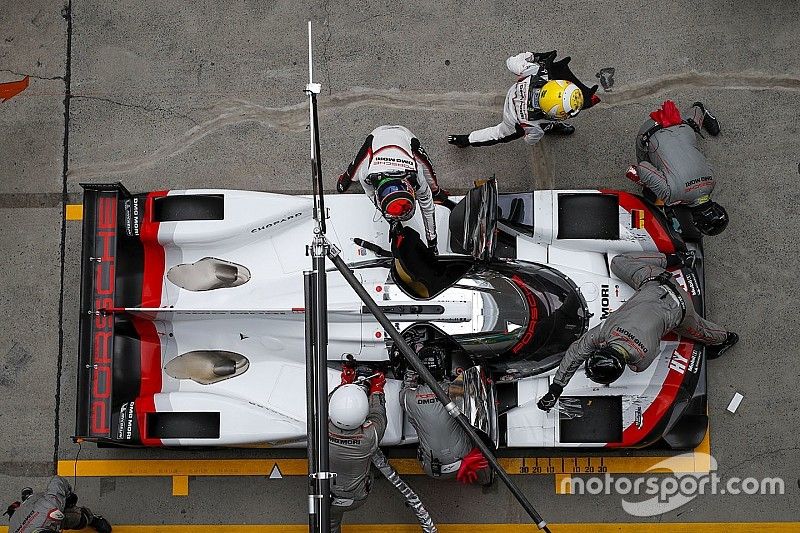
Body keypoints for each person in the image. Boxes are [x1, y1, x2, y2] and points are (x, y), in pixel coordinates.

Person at [537, 251, 738, 410]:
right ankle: (678, 259)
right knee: (618, 261)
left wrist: (557, 388)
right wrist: (556, 388)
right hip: (658, 280)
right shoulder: (606, 331)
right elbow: (579, 350)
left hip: (680, 311)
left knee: (702, 332)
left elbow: (576, 353)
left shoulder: (641, 361)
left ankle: (727, 338)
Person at [447, 51, 599, 148]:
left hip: (513, 97)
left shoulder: (537, 74)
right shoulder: (533, 125)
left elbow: (511, 61)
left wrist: (535, 56)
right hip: (513, 121)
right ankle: (467, 140)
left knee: (496, 133)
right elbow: (531, 140)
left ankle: (465, 140)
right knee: (498, 135)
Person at [336, 125, 448, 252]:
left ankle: (436, 191)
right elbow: (372, 195)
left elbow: (428, 208)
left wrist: (432, 241)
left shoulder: (417, 175)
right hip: (377, 137)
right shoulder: (366, 174)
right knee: (353, 173)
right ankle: (345, 176)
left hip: (405, 136)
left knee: (430, 175)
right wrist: (392, 220)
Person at [626, 100, 729, 235]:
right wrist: (651, 185)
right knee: (647, 182)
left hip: (681, 124)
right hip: (650, 129)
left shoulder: (712, 179)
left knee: (691, 125)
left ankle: (699, 110)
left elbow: (701, 159)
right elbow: (643, 167)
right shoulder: (670, 195)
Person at [401, 346, 490, 484]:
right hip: (465, 461)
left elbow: (406, 385)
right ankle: (486, 479)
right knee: (477, 434)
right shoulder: (456, 389)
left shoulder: (408, 398)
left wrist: (412, 365)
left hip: (431, 468)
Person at [328, 366, 388, 533]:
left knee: (331, 525)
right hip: (357, 497)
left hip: (328, 497)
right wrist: (376, 388)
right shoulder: (369, 436)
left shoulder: (319, 429)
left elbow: (329, 404)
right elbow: (378, 415)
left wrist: (345, 384)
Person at [4, 476, 112, 533]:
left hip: (41, 507)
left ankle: (93, 519)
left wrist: (68, 496)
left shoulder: (51, 504)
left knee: (80, 519)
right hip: (22, 516)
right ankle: (27, 499)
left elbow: (57, 480)